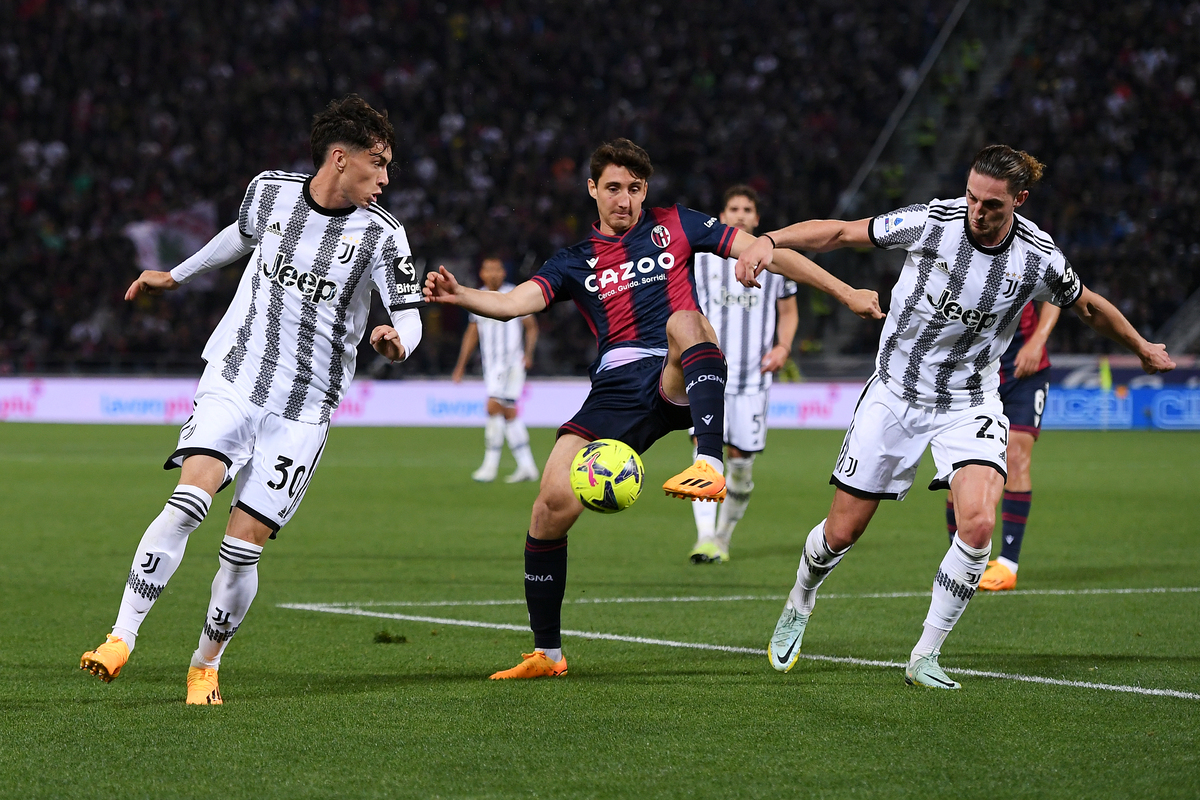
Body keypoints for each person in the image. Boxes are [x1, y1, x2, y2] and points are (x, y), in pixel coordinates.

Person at [424, 138, 883, 680]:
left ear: (646, 191)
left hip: (678, 370)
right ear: (592, 189)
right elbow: (510, 303)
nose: (625, 199)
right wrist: (461, 295)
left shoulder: (677, 224)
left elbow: (771, 253)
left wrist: (846, 291)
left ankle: (708, 461)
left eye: (635, 188)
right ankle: (548, 654)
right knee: (548, 508)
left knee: (684, 319)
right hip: (615, 391)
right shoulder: (573, 261)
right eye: (613, 188)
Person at [737, 144, 1175, 689]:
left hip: (970, 402)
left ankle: (925, 654)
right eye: (971, 197)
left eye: (991, 204)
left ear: (1019, 200)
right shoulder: (931, 222)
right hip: (896, 394)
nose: (976, 211)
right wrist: (770, 240)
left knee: (978, 523)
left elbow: (1085, 303)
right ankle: (800, 601)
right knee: (841, 532)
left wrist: (1140, 346)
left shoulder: (1038, 256)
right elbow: (842, 233)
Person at [79, 95, 423, 704]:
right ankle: (120, 636)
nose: (386, 179)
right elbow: (236, 238)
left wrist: (399, 344)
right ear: (340, 159)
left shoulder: (383, 235)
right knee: (188, 502)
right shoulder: (269, 192)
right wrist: (176, 275)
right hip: (235, 378)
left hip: (304, 409)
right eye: (379, 164)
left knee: (241, 552)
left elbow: (409, 313)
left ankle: (205, 665)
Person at [688, 185, 798, 564]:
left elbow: (788, 311)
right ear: (722, 216)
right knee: (704, 453)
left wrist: (783, 347)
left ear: (756, 218)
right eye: (733, 208)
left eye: (747, 209)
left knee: (740, 462)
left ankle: (723, 536)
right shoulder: (701, 259)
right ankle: (705, 537)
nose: (740, 214)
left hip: (753, 379)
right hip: (707, 374)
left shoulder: (775, 260)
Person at [946, 301, 1059, 590]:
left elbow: (1056, 295)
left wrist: (1037, 342)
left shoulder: (1027, 268)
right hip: (972, 377)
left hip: (1024, 372)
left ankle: (1008, 564)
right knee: (960, 469)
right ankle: (959, 565)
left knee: (1016, 457)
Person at [451, 255, 540, 483]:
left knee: (492, 407)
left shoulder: (515, 294)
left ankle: (490, 466)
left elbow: (531, 327)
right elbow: (471, 334)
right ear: (481, 273)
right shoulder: (477, 297)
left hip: (511, 363)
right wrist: (460, 366)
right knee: (508, 412)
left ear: (504, 272)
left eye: (497, 269)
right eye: (488, 269)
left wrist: (528, 354)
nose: (493, 274)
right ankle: (527, 466)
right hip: (491, 365)